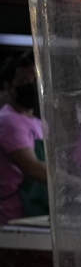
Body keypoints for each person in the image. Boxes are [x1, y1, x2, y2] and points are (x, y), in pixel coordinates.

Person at [0, 53, 47, 224]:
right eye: (24, 82)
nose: (32, 87)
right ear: (8, 87)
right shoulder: (8, 120)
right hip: (13, 219)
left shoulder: (39, 124)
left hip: (36, 214)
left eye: (35, 82)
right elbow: (32, 167)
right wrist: (77, 183)